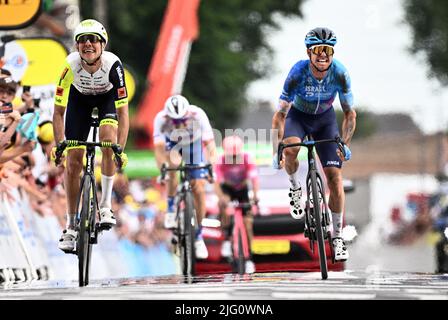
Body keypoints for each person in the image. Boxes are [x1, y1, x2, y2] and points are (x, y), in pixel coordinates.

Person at [271, 27, 356, 262]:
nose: (323, 55)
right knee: (292, 150)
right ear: (309, 52)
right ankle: (295, 187)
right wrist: (275, 148)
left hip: (325, 121)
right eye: (318, 50)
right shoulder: (297, 73)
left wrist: (345, 143)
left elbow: (350, 114)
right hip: (298, 118)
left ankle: (337, 238)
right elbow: (280, 114)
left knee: (335, 179)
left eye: (327, 50)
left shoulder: (340, 73)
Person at [53, 19, 129, 253]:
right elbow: (58, 112)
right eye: (82, 40)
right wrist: (59, 146)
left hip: (106, 99)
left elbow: (123, 112)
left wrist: (120, 149)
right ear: (76, 46)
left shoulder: (113, 65)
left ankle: (105, 205)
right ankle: (71, 225)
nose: (88, 44)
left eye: (93, 39)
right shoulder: (69, 65)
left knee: (108, 139)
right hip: (79, 102)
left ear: (102, 44)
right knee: (73, 163)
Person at [153, 94, 217, 259]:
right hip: (172, 145)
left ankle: (198, 235)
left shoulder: (198, 114)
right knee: (173, 166)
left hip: (193, 145)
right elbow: (159, 149)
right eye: (174, 121)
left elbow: (210, 145)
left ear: (188, 113)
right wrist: (163, 170)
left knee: (199, 188)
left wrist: (211, 167)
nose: (179, 124)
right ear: (168, 117)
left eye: (181, 120)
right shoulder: (161, 119)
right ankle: (171, 208)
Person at [214, 135, 259, 273]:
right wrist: (221, 198)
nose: (233, 159)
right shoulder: (220, 160)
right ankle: (227, 237)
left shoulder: (247, 158)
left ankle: (249, 258)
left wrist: (255, 197)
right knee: (223, 203)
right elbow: (216, 183)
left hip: (242, 189)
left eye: (235, 156)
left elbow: (254, 180)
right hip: (227, 188)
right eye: (231, 156)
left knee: (248, 223)